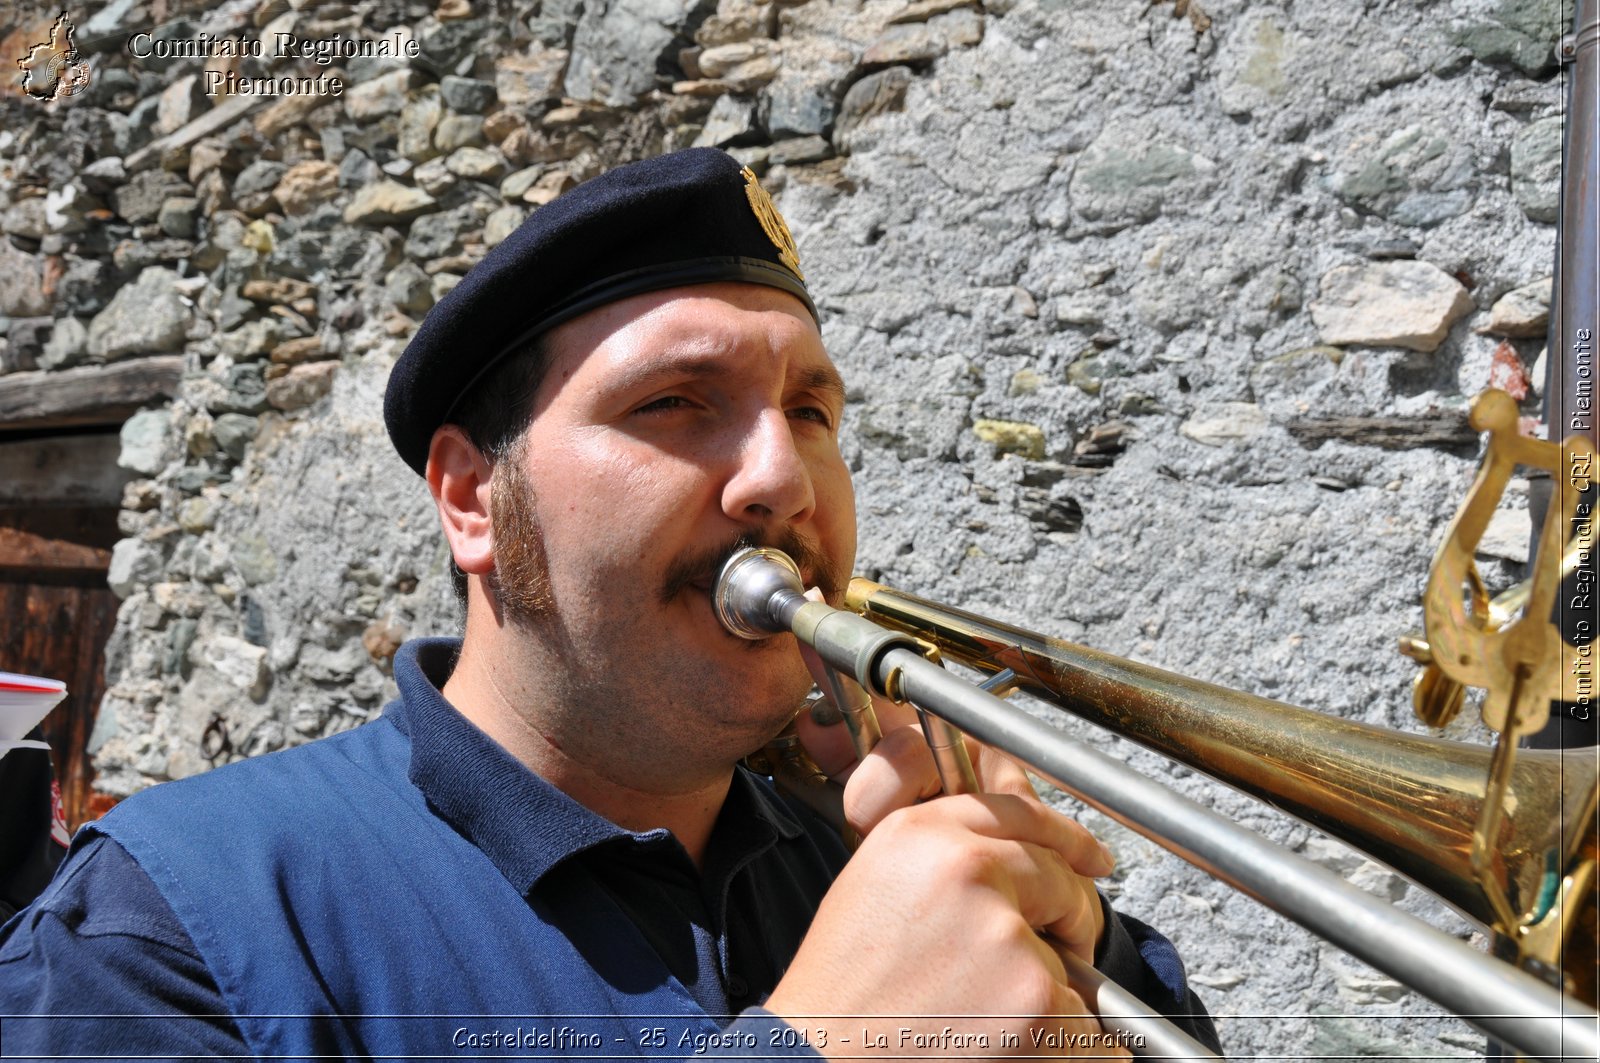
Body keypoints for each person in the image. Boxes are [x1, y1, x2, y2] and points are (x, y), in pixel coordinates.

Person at [0, 149, 1220, 1059]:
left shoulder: (881, 855)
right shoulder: (165, 929)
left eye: (810, 412)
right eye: (675, 403)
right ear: (472, 498)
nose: (785, 478)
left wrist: (1080, 956)